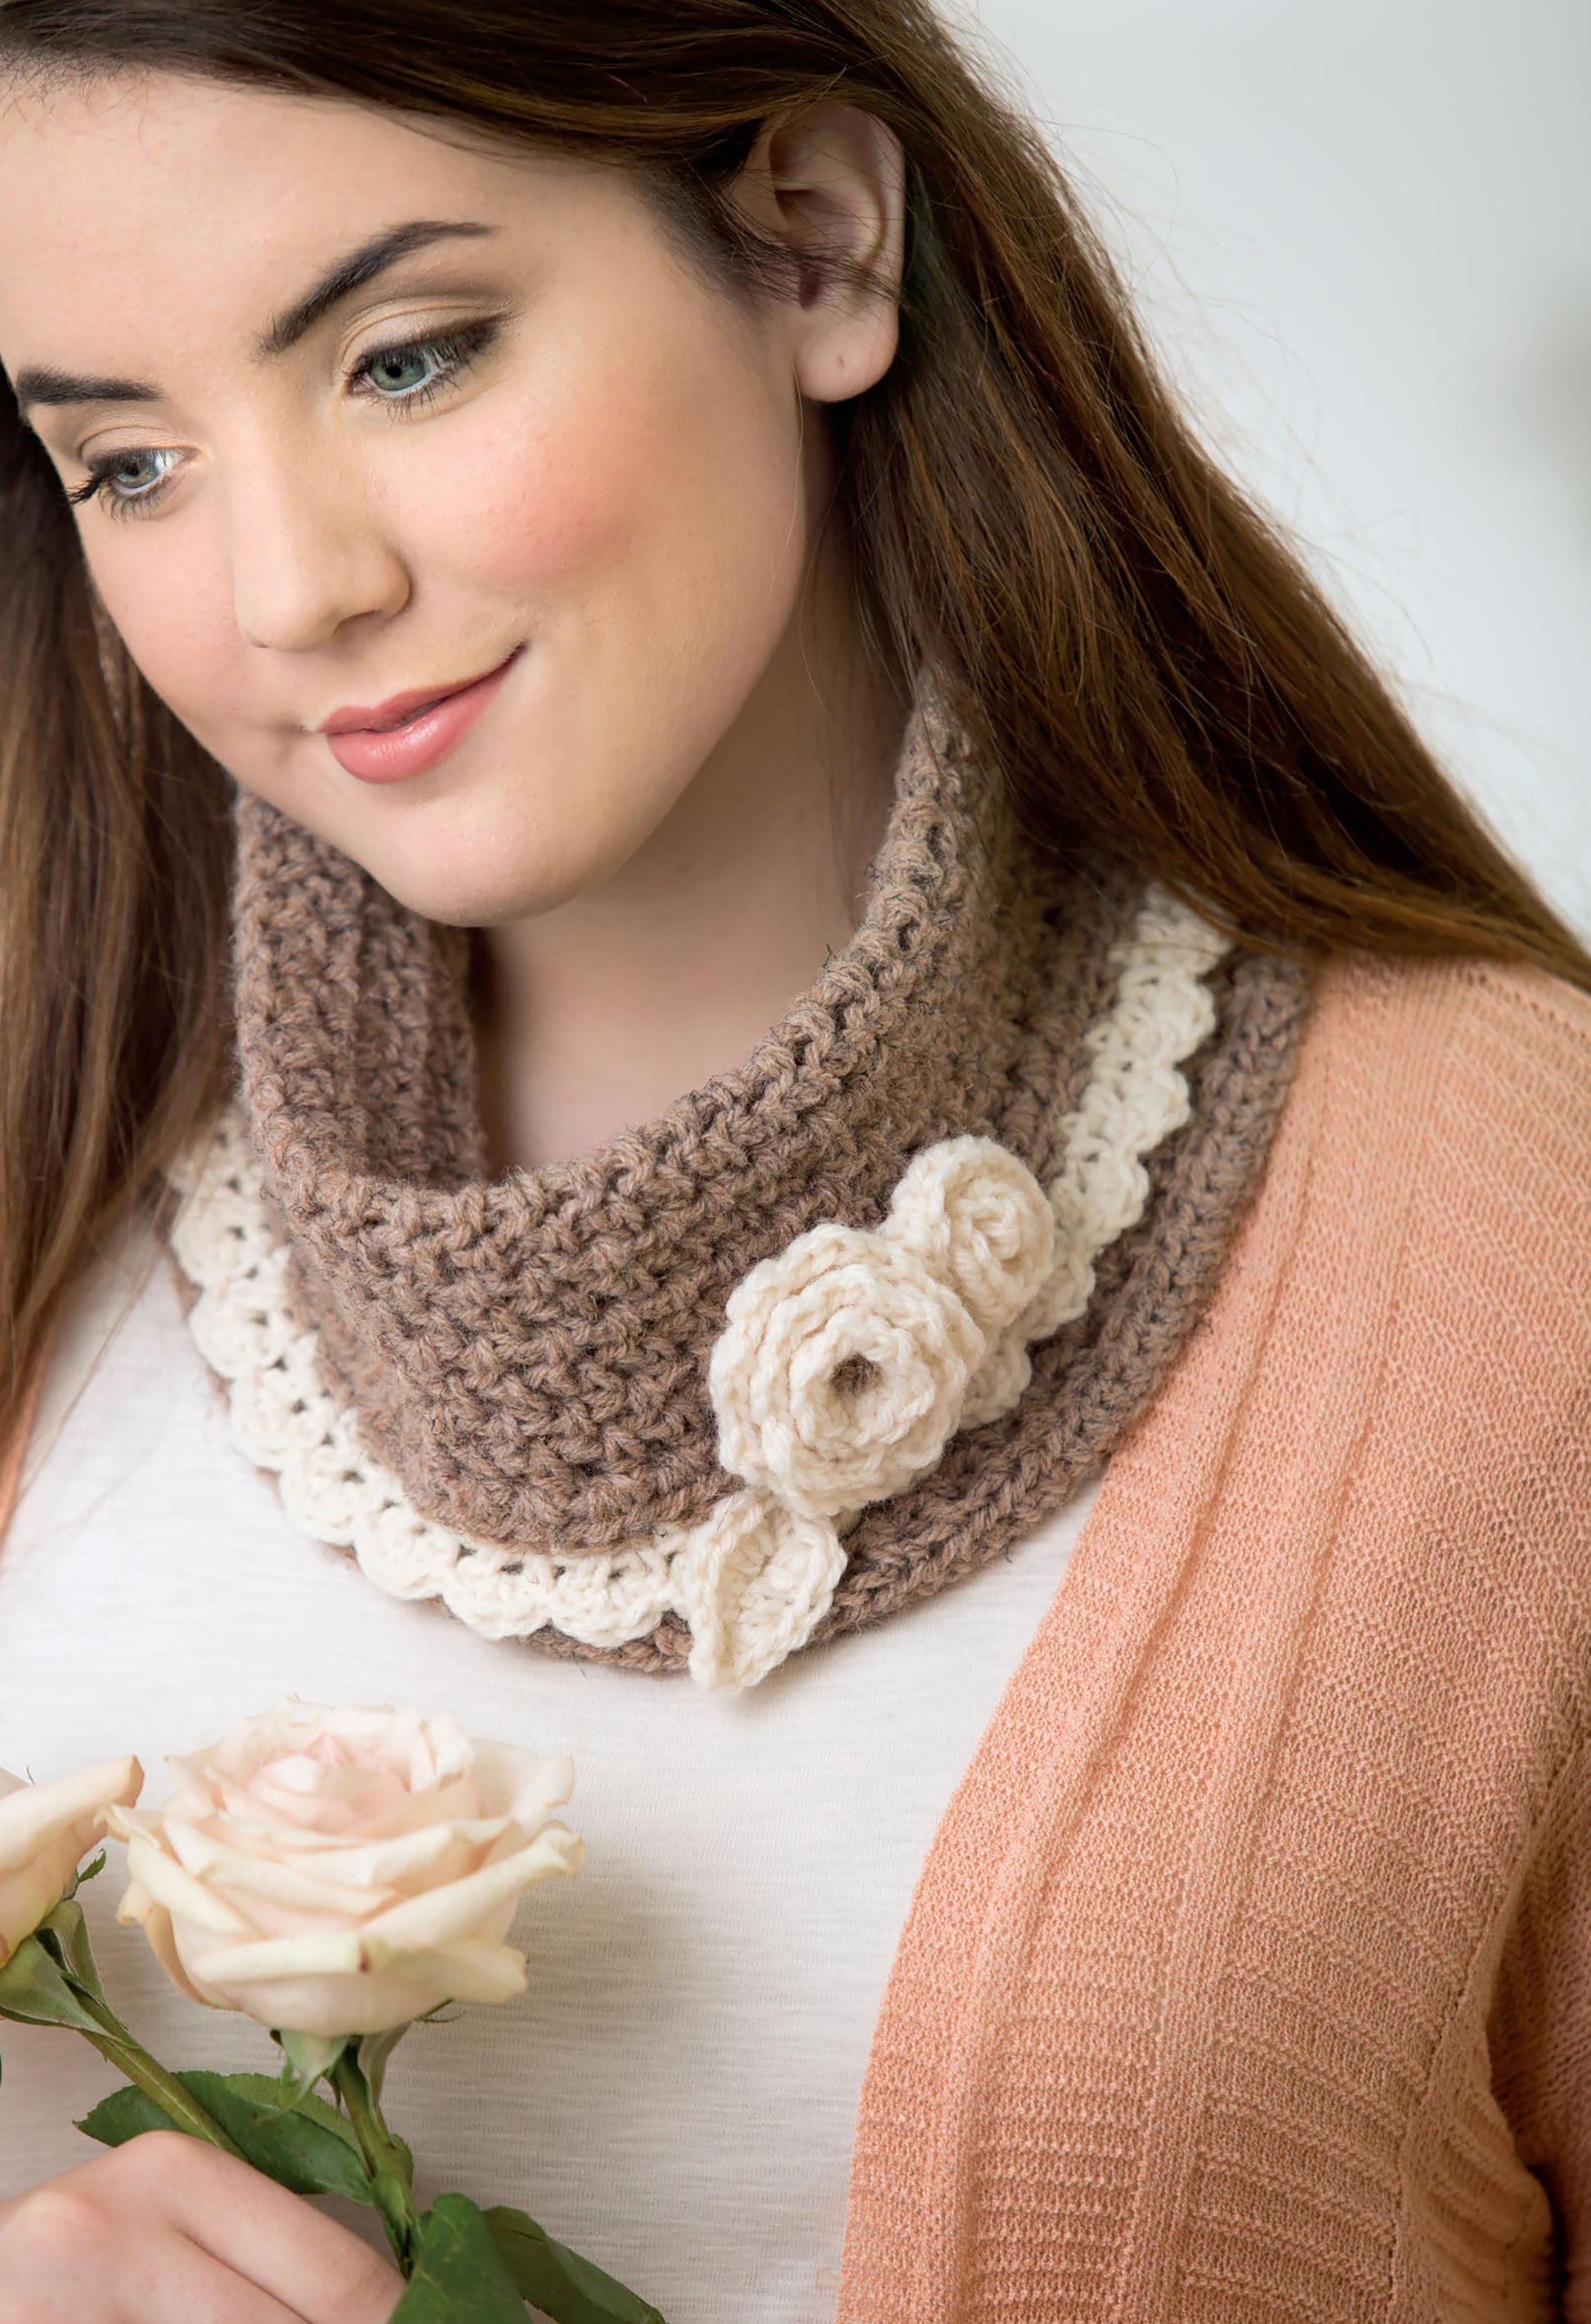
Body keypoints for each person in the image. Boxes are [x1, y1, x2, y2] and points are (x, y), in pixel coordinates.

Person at [0, 3, 1586, 2319]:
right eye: (128, 463)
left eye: (408, 359)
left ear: (816, 247)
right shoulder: (55, 1182)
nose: (285, 590)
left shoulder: (1513, 1224)